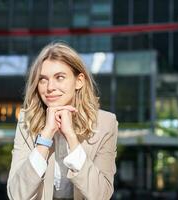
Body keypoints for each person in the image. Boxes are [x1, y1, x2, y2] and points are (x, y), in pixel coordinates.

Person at [7, 42, 118, 200]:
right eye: (43, 79)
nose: (50, 87)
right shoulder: (27, 120)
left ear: (79, 81)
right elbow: (16, 195)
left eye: (59, 77)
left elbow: (101, 195)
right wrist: (45, 137)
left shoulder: (106, 123)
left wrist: (71, 138)